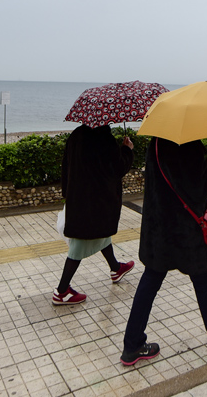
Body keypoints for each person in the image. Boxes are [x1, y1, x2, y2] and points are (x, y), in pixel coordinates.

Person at [119, 137, 207, 366]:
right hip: (185, 231)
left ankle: (132, 345)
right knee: (203, 282)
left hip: (159, 230)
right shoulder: (188, 144)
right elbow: (200, 189)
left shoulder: (157, 140)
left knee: (150, 283)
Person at [52, 124, 136, 305]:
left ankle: (116, 268)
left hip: (79, 199)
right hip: (97, 202)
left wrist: (67, 194)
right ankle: (61, 291)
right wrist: (127, 150)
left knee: (101, 234)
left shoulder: (77, 134)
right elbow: (118, 168)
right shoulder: (103, 137)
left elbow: (66, 165)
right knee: (79, 245)